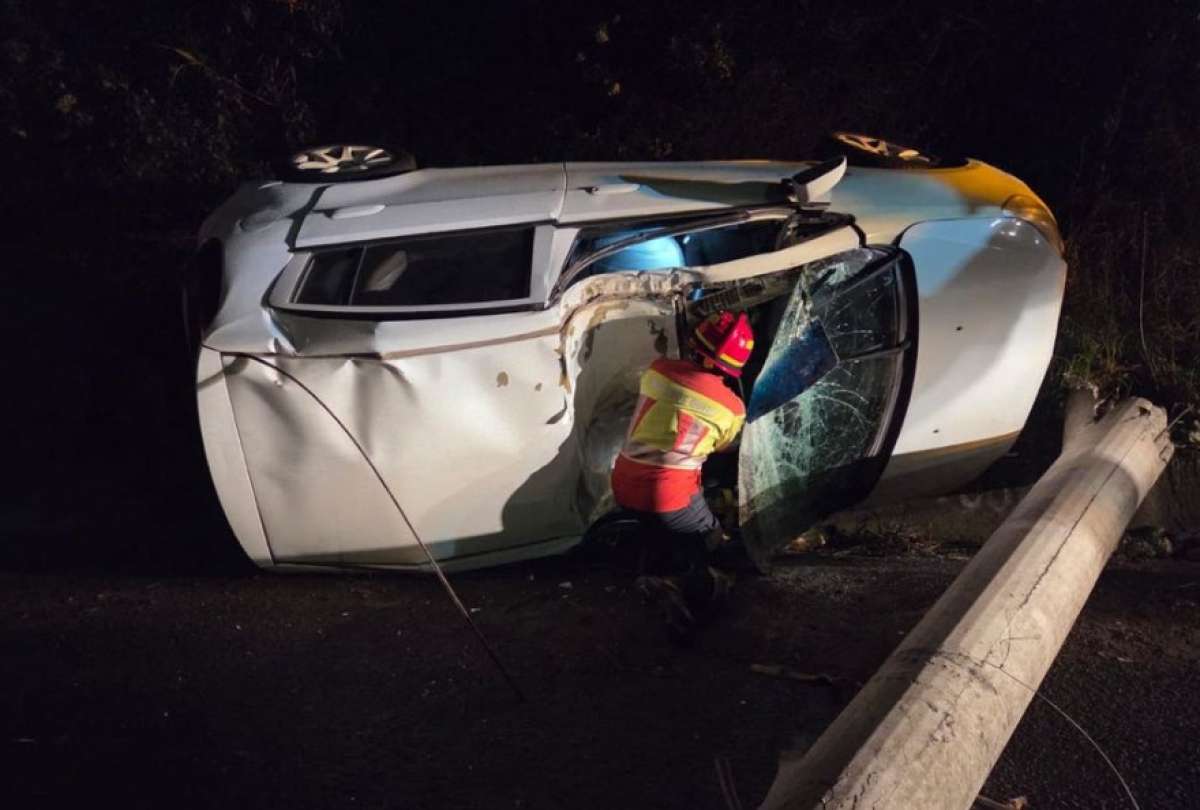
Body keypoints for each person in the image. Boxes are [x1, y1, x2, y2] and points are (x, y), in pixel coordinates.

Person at [609, 309, 754, 637]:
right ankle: (681, 589)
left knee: (657, 530)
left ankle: (653, 570)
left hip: (622, 482)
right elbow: (722, 447)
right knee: (711, 542)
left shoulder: (658, 371)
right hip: (668, 495)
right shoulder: (733, 408)